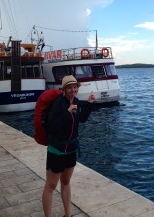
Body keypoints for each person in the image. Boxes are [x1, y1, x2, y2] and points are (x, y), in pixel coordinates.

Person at [42, 75, 95, 217]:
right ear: (64, 89)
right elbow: (53, 126)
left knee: (66, 182)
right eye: (69, 87)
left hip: (71, 149)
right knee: (51, 186)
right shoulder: (58, 104)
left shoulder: (76, 102)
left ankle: (68, 215)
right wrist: (67, 113)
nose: (73, 90)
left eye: (75, 87)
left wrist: (89, 104)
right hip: (57, 150)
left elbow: (82, 120)